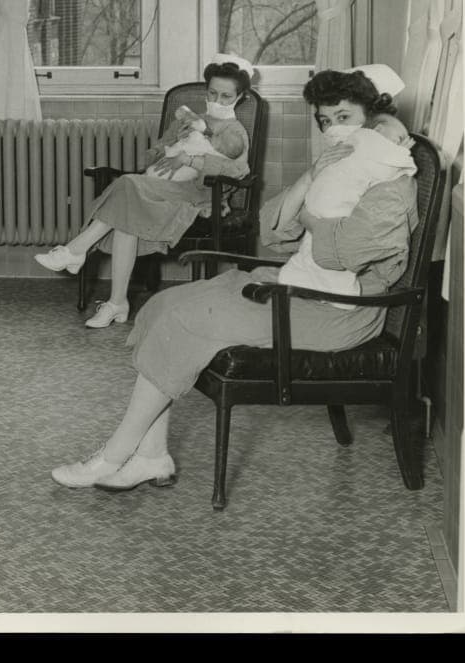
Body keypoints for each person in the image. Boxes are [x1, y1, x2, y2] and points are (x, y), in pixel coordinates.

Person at [48, 64, 418, 493]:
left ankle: (114, 455)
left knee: (186, 319)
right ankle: (151, 456)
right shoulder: (342, 168)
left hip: (341, 310)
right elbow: (272, 230)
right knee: (161, 306)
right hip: (299, 285)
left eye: (344, 118)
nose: (334, 131)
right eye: (325, 121)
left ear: (371, 119)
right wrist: (312, 175)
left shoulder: (390, 180)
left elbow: (339, 256)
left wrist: (313, 220)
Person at [33, 53, 255, 329]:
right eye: (212, 93)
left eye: (225, 96)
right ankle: (117, 302)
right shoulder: (189, 119)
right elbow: (157, 150)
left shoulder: (235, 131)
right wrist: (161, 151)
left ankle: (77, 249)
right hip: (160, 188)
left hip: (196, 195)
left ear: (240, 97)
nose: (217, 100)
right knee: (128, 218)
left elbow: (237, 171)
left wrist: (189, 159)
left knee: (127, 184)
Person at [277, 111, 416, 301]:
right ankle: (329, 292)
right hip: (333, 212)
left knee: (307, 254)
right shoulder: (368, 142)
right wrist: (402, 154)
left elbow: (345, 252)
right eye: (399, 139)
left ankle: (298, 279)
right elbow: (387, 167)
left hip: (318, 206)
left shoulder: (358, 147)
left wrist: (309, 220)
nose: (401, 144)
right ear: (378, 130)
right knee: (320, 264)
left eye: (343, 117)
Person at [144, 106, 220, 183]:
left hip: (197, 171)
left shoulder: (218, 125)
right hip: (173, 164)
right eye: (182, 119)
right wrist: (176, 140)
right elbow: (162, 147)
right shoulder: (177, 124)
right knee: (148, 175)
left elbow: (217, 153)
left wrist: (205, 131)